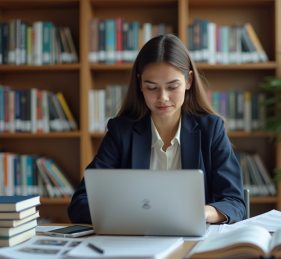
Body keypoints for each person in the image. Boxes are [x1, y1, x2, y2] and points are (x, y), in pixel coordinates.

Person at [68, 34, 246, 224]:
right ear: (140, 84)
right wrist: (132, 213)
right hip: (137, 245)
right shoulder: (121, 132)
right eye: (152, 88)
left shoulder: (211, 130)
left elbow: (235, 203)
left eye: (172, 87)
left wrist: (201, 213)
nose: (163, 98)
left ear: (189, 81)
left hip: (193, 245)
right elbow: (80, 204)